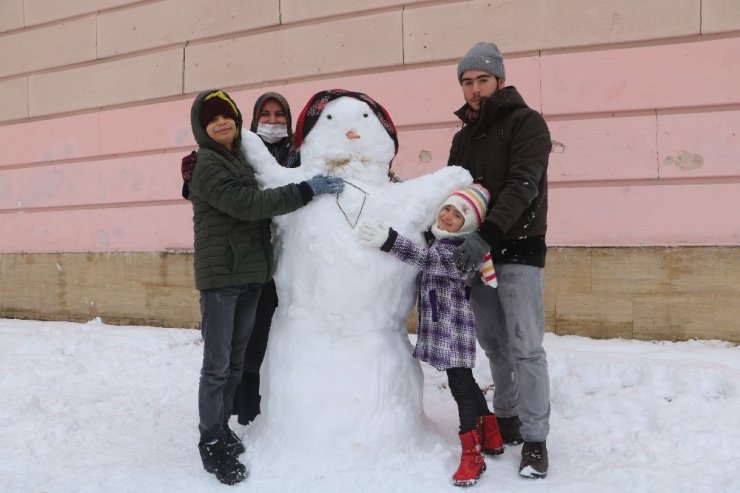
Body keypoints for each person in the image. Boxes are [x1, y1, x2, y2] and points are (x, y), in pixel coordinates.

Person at [187, 88, 344, 485]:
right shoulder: (207, 163)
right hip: (222, 277)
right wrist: (307, 190)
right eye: (213, 119)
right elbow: (247, 204)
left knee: (237, 361)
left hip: (250, 274)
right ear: (202, 128)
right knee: (218, 366)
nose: (222, 123)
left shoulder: (238, 157)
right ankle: (210, 440)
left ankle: (223, 429)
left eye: (227, 116)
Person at [447, 41, 552, 479]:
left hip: (519, 250)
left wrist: (485, 236)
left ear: (500, 81)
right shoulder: (462, 137)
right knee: (493, 341)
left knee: (526, 345)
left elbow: (523, 185)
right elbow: (451, 192)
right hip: (476, 255)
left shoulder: (527, 123)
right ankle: (506, 416)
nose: (474, 90)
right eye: (467, 82)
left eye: (482, 80)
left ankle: (535, 440)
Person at [358, 184, 504, 487]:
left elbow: (430, 262)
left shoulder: (463, 251)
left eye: (459, 214)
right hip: (445, 328)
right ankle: (491, 434)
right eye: (447, 208)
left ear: (472, 224)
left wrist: (391, 242)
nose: (449, 216)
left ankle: (472, 455)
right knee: (465, 381)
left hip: (453, 331)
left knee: (460, 387)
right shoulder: (441, 242)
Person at [231, 91, 297, 427]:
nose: (273, 122)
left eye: (279, 115)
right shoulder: (241, 154)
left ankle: (274, 410)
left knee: (279, 341)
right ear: (254, 120)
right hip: (251, 260)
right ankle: (246, 414)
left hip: (288, 263)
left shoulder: (297, 155)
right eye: (266, 115)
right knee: (249, 341)